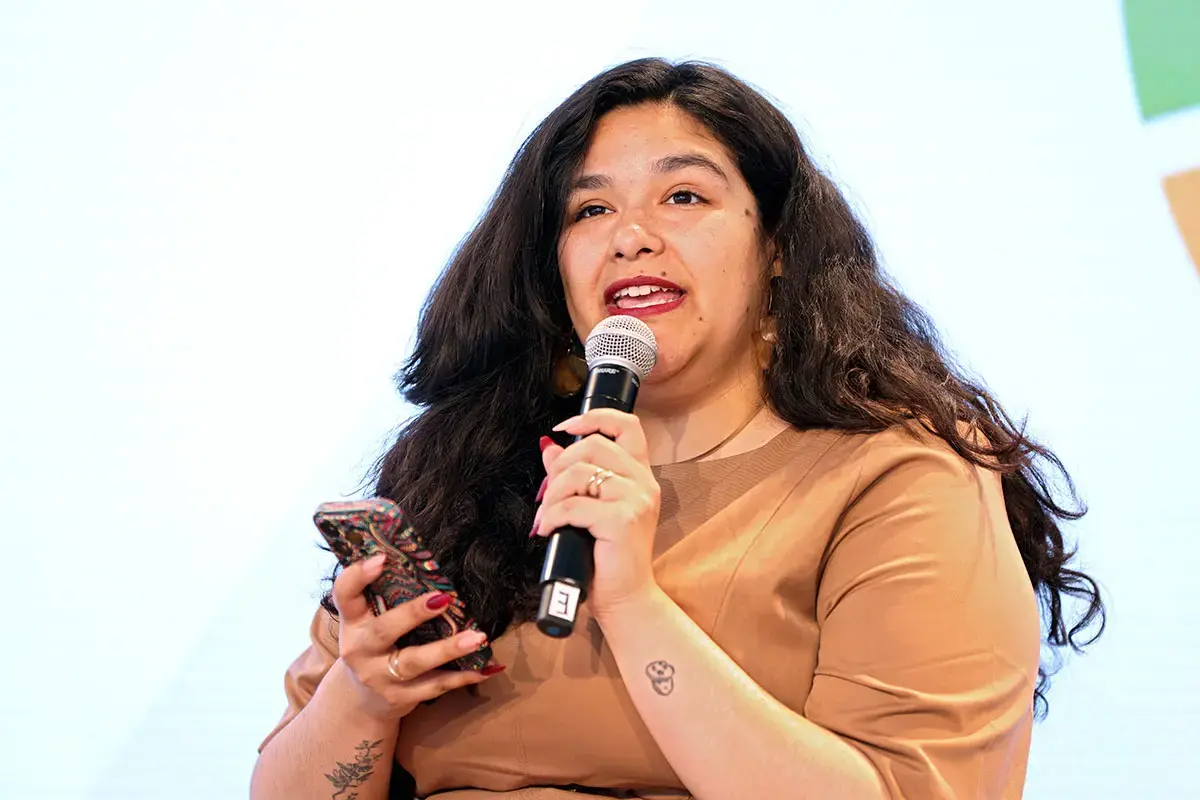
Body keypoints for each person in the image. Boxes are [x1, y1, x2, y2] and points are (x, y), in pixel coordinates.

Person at [250, 58, 1104, 800]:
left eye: (683, 195)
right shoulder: (469, 466)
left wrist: (631, 601)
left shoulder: (898, 473)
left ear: (775, 246)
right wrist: (361, 696)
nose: (630, 237)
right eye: (589, 212)